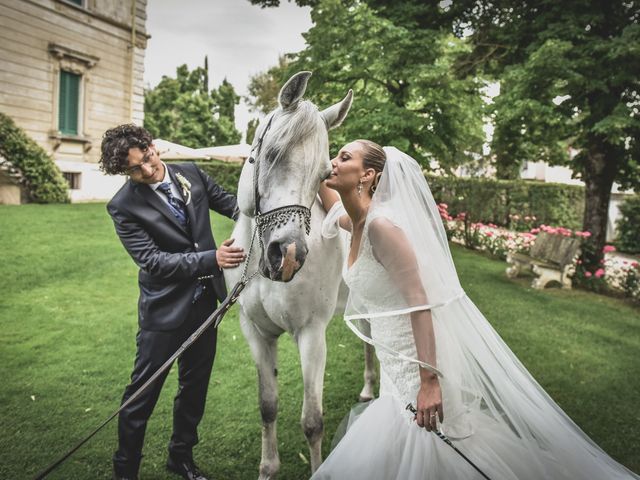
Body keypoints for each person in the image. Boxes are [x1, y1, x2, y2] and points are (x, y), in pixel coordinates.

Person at [313, 140, 639, 479]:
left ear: (368, 175)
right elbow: (328, 195)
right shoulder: (355, 222)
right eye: (335, 155)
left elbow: (420, 302)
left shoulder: (382, 228)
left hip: (417, 367)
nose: (334, 162)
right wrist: (311, 150)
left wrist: (429, 381)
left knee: (432, 450)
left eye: (344, 157)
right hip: (392, 369)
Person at [99, 124, 245, 480]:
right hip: (163, 312)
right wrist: (213, 258)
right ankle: (125, 471)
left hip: (206, 304)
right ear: (125, 171)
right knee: (141, 397)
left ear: (153, 147)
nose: (146, 171)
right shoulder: (122, 206)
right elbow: (153, 262)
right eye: (135, 169)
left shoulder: (190, 174)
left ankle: (180, 459)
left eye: (146, 158)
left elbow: (235, 206)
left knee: (194, 388)